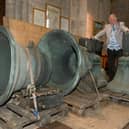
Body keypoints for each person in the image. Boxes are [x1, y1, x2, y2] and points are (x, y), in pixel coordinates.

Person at [94, 13, 129, 81]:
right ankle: (111, 79)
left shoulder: (120, 24)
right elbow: (102, 32)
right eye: (110, 19)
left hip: (119, 48)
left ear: (115, 19)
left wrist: (127, 30)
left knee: (119, 64)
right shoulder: (107, 26)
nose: (111, 20)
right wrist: (95, 36)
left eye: (112, 19)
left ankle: (118, 78)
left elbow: (124, 28)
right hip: (110, 48)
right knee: (110, 65)